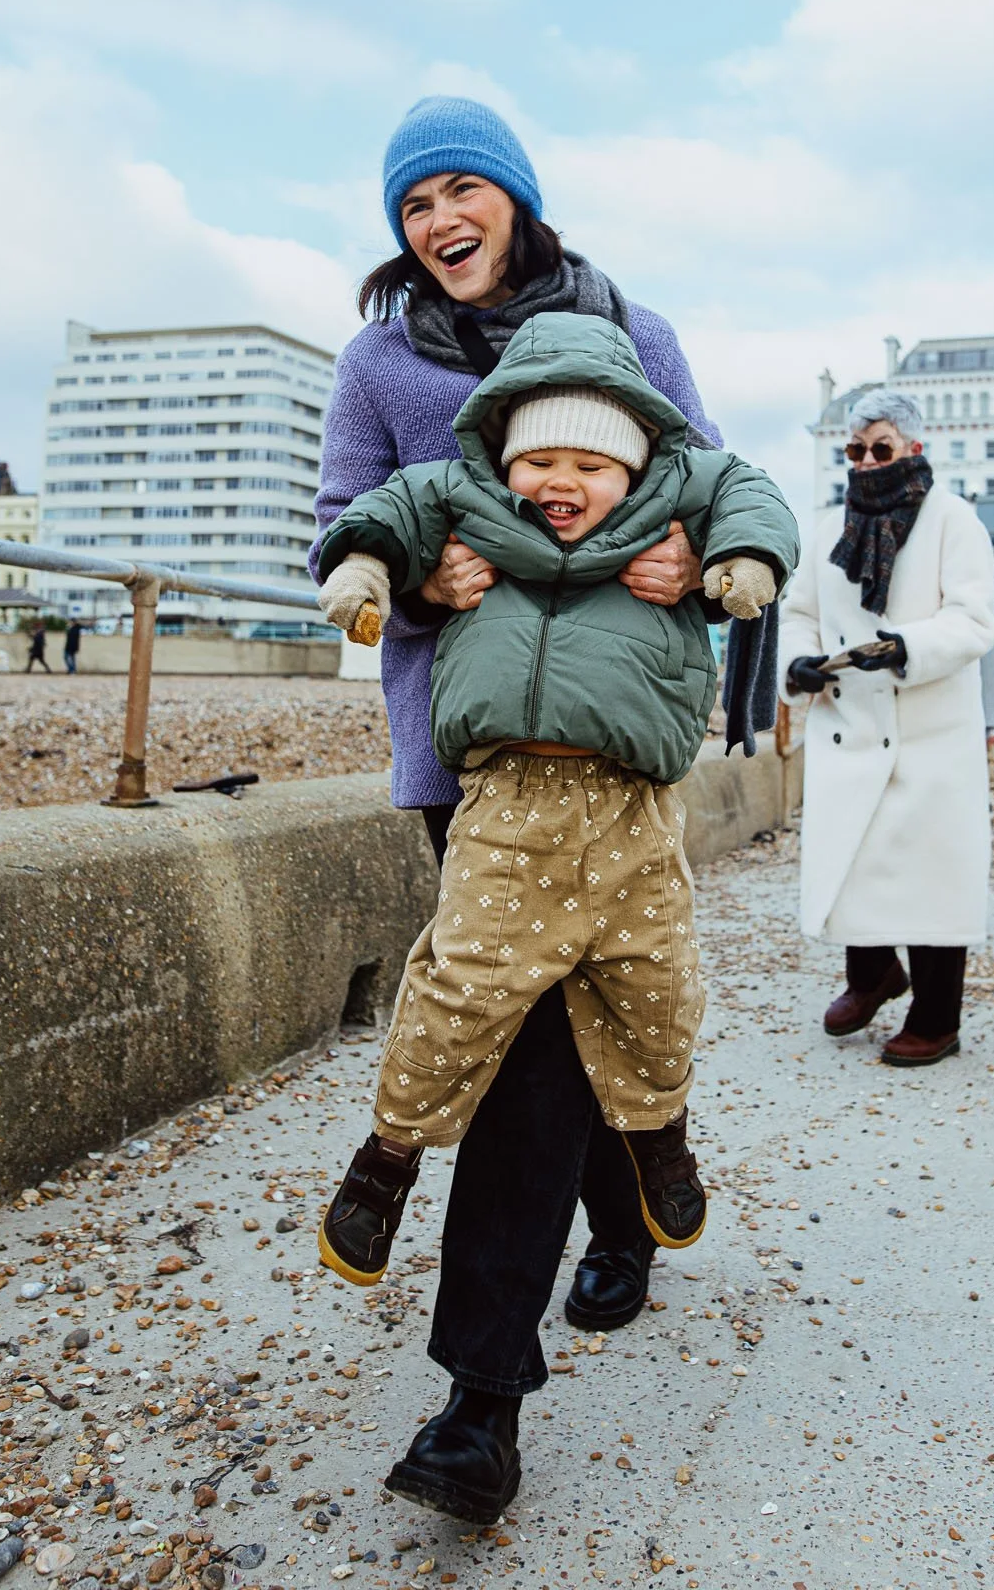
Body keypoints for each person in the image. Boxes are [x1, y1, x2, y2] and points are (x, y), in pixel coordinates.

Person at [309, 96, 733, 1520]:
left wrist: (684, 562)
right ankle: (565, 1283)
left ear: (513, 198)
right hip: (468, 751)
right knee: (523, 1028)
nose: (436, 220)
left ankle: (479, 1403)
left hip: (613, 755)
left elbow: (709, 490)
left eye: (455, 190)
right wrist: (418, 582)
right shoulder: (378, 362)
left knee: (573, 1026)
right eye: (410, 204)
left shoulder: (637, 331)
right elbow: (341, 520)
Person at [313, 314, 796, 1342]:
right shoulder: (465, 496)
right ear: (501, 455)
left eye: (588, 461)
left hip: (631, 801)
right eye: (538, 457)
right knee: (462, 984)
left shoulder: (673, 498)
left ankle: (661, 1135)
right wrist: (365, 576)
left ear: (632, 467)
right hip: (506, 801)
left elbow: (746, 489)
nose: (560, 479)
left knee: (653, 981)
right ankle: (388, 1156)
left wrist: (739, 557)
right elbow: (378, 510)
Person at [779, 387, 994, 1066]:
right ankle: (870, 975)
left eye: (881, 448)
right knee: (854, 855)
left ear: (912, 449)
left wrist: (904, 646)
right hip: (849, 720)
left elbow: (973, 619)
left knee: (933, 873)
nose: (867, 461)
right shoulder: (825, 527)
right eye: (855, 450)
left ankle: (938, 1017)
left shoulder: (953, 520)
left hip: (928, 726)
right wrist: (798, 664)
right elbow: (799, 613)